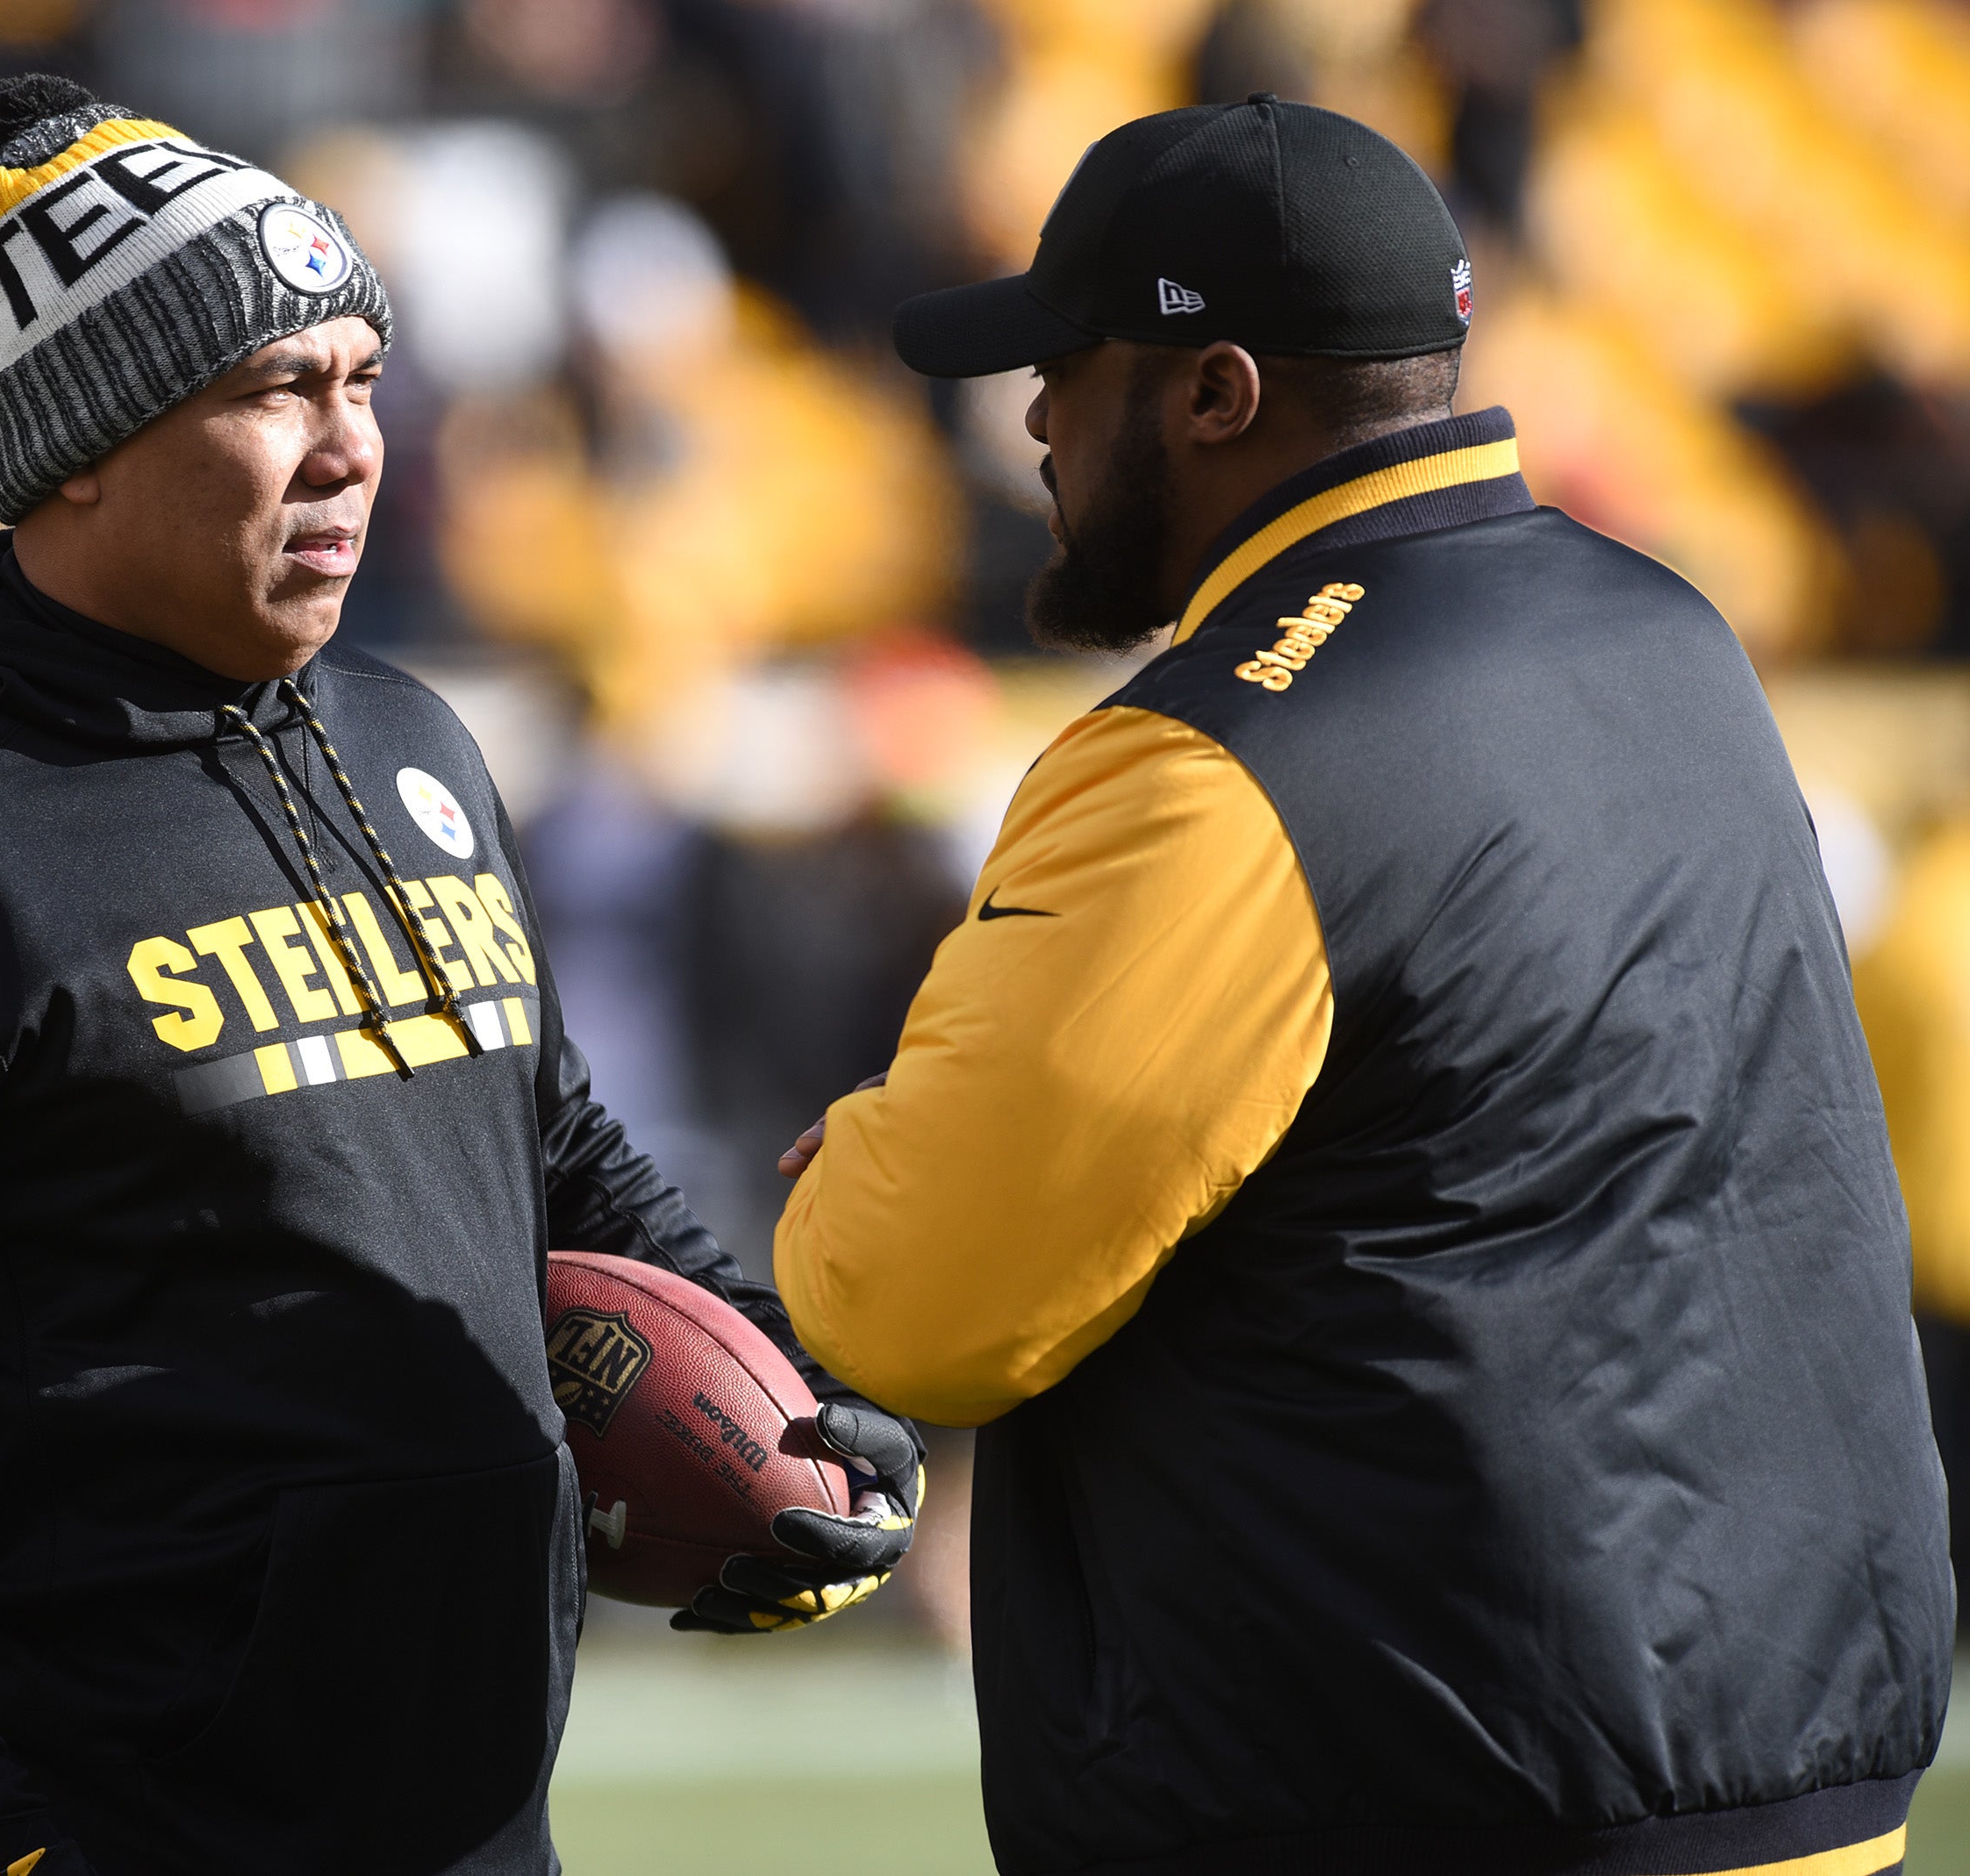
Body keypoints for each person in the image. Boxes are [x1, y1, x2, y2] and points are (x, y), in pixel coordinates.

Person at [0, 75, 920, 1876]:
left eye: (363, 385)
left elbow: (550, 1152)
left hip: (453, 1810)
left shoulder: (411, 743)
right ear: (82, 441)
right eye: (273, 392)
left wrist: (785, 1405)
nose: (350, 450)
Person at [773, 95, 1949, 1876]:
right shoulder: (1669, 632)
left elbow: (919, 1301)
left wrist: (866, 1151)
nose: (1030, 419)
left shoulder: (1217, 758)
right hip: (1796, 1771)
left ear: (1215, 392)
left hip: (1430, 1784)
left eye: (1070, 365)